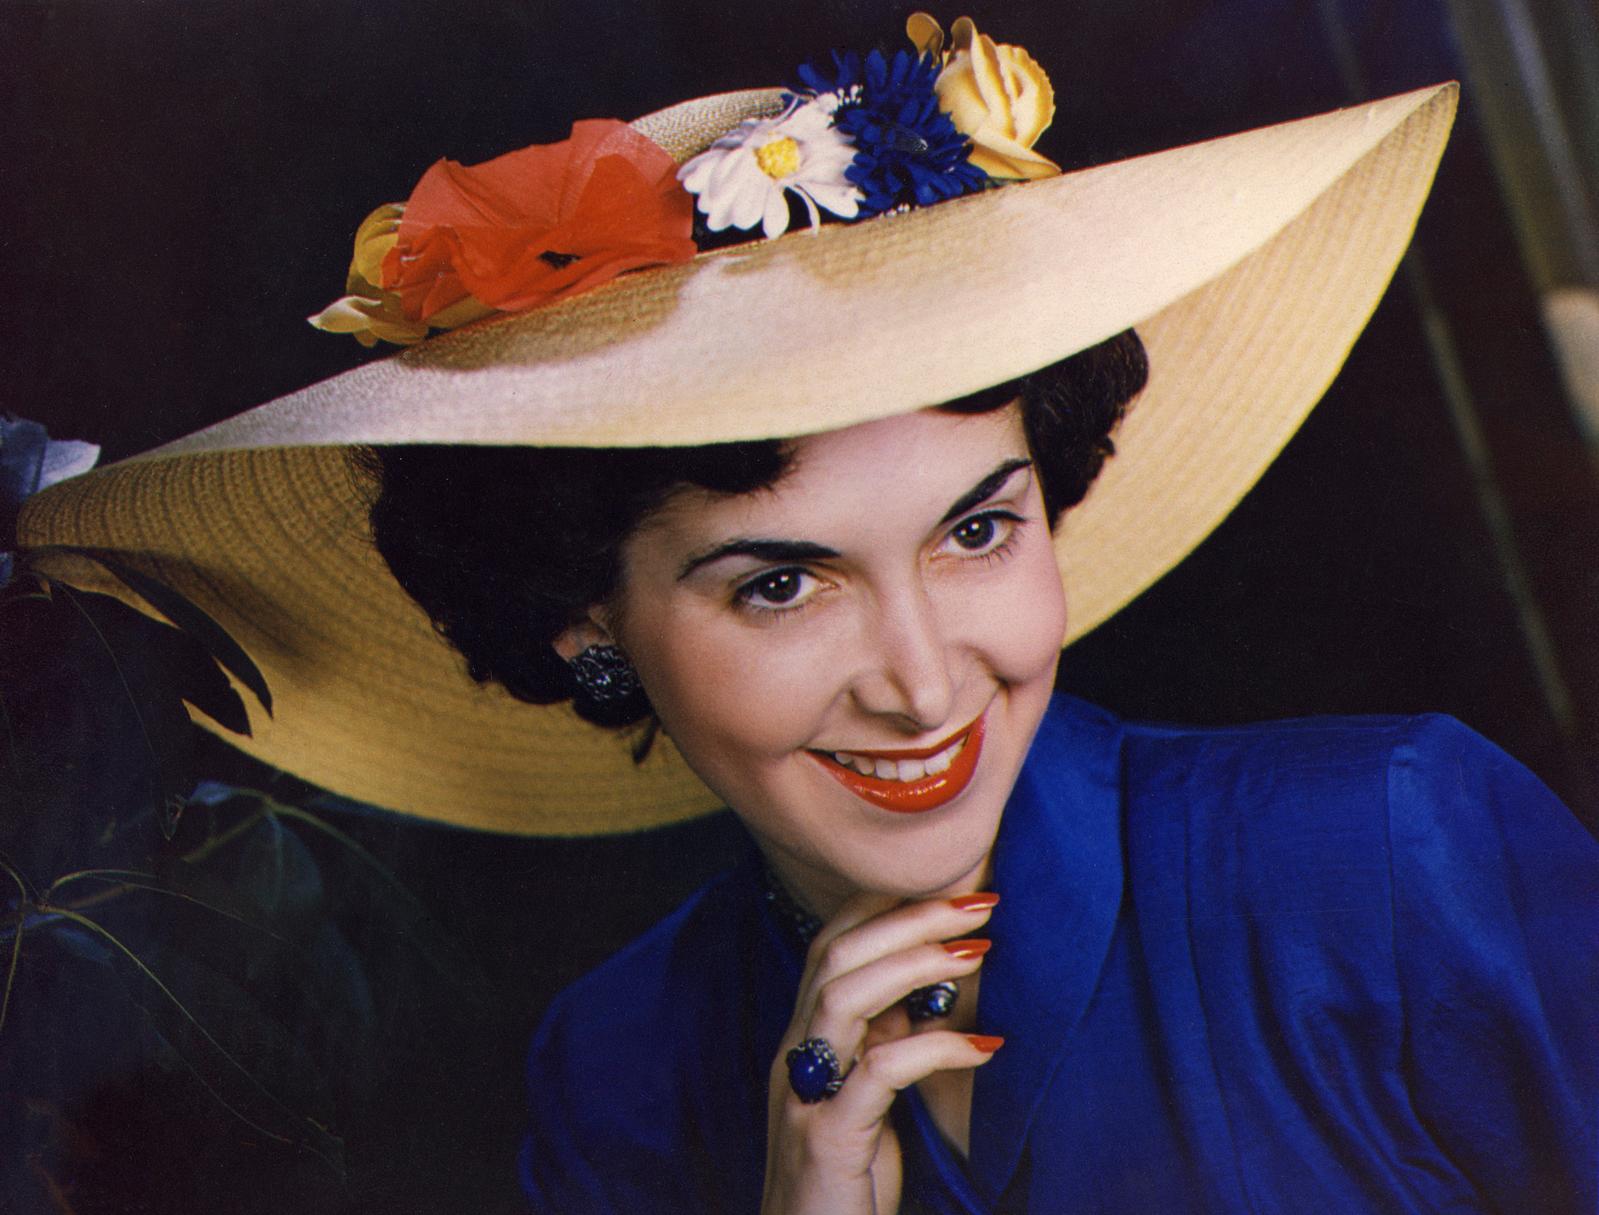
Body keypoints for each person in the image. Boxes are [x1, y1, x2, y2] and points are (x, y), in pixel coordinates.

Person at [18, 14, 1597, 1214]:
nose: (922, 684)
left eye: (975, 531)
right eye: (782, 582)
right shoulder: (621, 1075)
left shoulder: (1387, 851)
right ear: (582, 620)